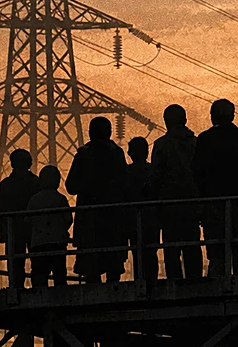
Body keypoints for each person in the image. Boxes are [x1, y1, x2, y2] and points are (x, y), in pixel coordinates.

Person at [194, 99, 238, 276]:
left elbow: (197, 172)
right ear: (233, 115)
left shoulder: (205, 139)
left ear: (213, 116)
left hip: (213, 204)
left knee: (216, 256)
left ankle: (215, 289)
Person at [66, 117, 130, 284]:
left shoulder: (83, 154)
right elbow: (125, 184)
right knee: (113, 263)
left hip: (89, 218)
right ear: (109, 133)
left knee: (91, 266)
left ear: (90, 132)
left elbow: (71, 186)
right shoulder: (117, 153)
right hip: (114, 217)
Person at [150, 104, 203, 279]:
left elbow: (156, 175)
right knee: (192, 247)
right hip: (192, 204)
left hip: (169, 206)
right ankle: (196, 281)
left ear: (166, 122)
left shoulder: (161, 145)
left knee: (171, 250)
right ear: (185, 120)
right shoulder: (196, 144)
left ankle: (174, 283)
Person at [0, 149, 39, 289]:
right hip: (34, 230)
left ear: (12, 163)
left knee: (15, 262)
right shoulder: (36, 183)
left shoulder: (6, 185)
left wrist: (4, 228)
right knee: (37, 260)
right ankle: (38, 284)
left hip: (13, 230)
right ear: (30, 163)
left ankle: (16, 286)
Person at [26, 166, 71, 288]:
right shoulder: (60, 199)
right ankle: (62, 297)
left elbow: (28, 220)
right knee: (60, 274)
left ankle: (37, 299)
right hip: (57, 242)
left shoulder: (34, 200)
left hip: (38, 243)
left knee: (39, 276)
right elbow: (68, 219)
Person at [126, 136, 160, 282]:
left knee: (136, 252)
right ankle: (152, 280)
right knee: (152, 252)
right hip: (152, 217)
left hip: (132, 217)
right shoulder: (153, 171)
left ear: (130, 153)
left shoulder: (126, 173)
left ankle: (139, 281)